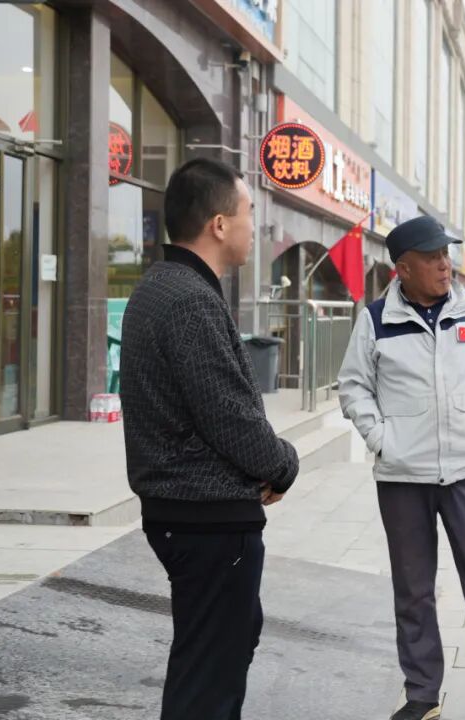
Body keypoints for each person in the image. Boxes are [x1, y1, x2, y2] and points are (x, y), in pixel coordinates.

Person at [337, 215, 465, 720]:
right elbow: (354, 386)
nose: (444, 265)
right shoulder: (376, 319)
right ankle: (422, 696)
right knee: (413, 590)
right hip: (403, 477)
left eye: (445, 255)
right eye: (432, 258)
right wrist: (382, 439)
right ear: (403, 268)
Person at [120, 157, 300, 719]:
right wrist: (283, 464)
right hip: (206, 517)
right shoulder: (189, 300)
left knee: (215, 653)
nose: (254, 226)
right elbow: (229, 416)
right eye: (248, 212)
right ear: (219, 224)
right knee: (208, 679)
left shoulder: (162, 287)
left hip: (187, 512)